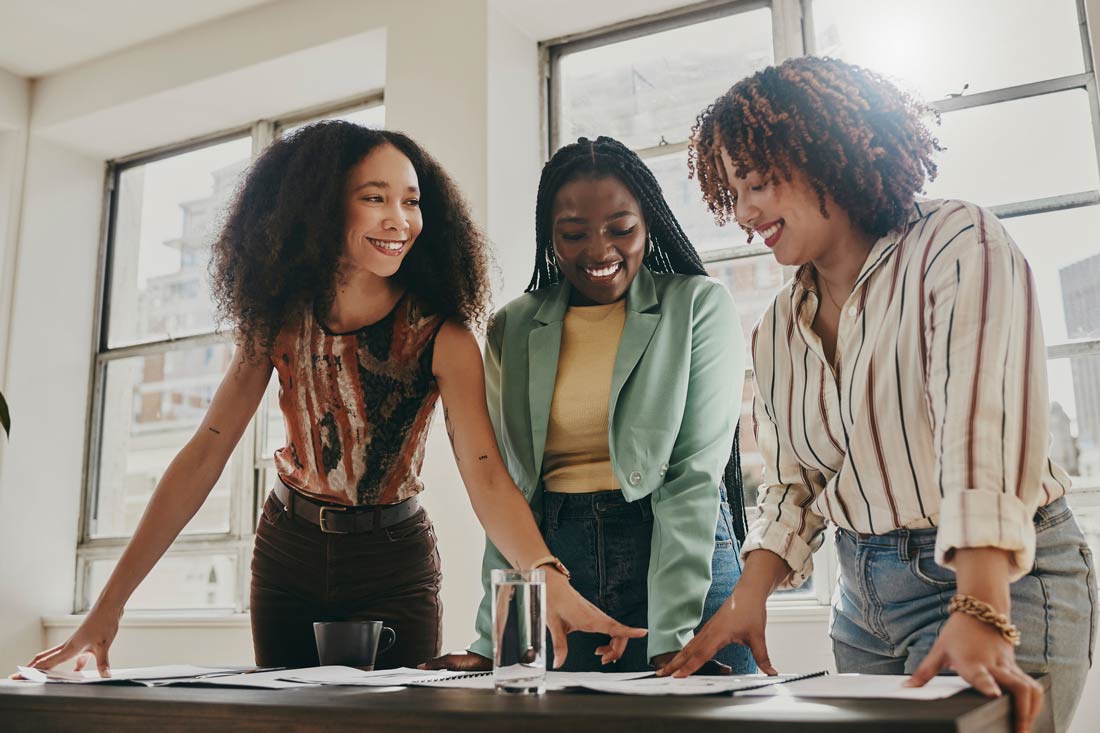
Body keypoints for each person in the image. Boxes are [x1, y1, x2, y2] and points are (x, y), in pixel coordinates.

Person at [24, 122, 644, 674]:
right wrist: (106, 612)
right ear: (319, 208)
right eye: (374, 198)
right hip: (288, 551)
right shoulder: (277, 323)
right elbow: (204, 455)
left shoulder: (444, 336)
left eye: (411, 200)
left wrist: (546, 577)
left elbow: (485, 474)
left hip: (393, 561)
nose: (399, 219)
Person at [657, 57, 1097, 733]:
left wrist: (980, 606)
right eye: (732, 193)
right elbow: (794, 488)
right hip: (862, 604)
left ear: (824, 154)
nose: (744, 213)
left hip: (998, 579)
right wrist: (749, 598)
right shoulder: (776, 328)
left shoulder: (957, 242)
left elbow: (983, 432)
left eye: (757, 184)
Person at [425, 136, 756, 673]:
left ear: (648, 223)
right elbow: (511, 491)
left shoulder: (697, 305)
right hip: (559, 570)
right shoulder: (514, 326)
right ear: (549, 237)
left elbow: (692, 478)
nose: (599, 251)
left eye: (621, 230)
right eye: (573, 234)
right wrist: (494, 640)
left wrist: (671, 635)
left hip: (680, 563)